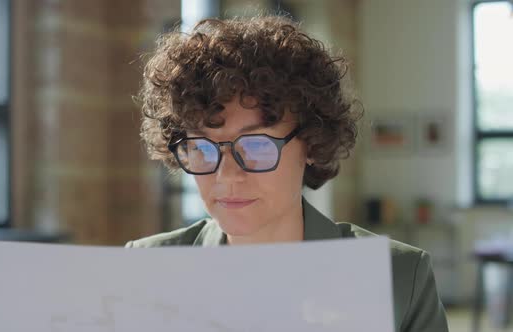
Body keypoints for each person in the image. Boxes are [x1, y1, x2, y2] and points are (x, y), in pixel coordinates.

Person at [126, 15, 449, 332]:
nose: (227, 176)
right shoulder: (147, 268)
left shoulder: (399, 277)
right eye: (201, 147)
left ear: (310, 143)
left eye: (256, 146)